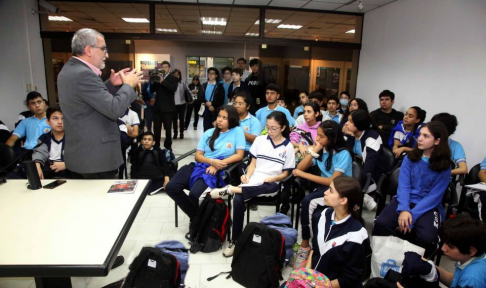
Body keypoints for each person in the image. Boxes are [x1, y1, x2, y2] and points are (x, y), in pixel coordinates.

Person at [57, 28, 141, 179]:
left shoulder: (70, 69)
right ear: (88, 50)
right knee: (100, 201)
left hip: (84, 154)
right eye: (103, 49)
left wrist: (111, 84)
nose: (106, 55)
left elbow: (88, 100)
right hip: (95, 159)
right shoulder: (83, 74)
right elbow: (114, 109)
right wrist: (128, 86)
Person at [210, 111, 295, 257]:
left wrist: (274, 179)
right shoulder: (260, 140)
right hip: (254, 180)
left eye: (274, 128)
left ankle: (231, 189)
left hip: (273, 183)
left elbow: (286, 174)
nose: (270, 131)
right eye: (268, 127)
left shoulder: (288, 147)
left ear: (283, 128)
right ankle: (235, 240)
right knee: (238, 199)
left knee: (270, 186)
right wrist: (247, 177)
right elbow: (253, 164)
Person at [373, 121, 452, 257]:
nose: (420, 138)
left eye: (426, 136)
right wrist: (404, 209)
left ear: (438, 141)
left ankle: (415, 269)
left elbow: (434, 196)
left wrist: (412, 216)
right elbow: (403, 186)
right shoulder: (410, 158)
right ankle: (379, 259)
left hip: (428, 206)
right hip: (405, 200)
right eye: (420, 134)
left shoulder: (445, 166)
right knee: (382, 223)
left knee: (427, 238)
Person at [165, 105, 245, 220]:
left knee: (194, 195)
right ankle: (197, 219)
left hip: (219, 170)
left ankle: (197, 222)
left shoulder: (237, 131)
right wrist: (211, 161)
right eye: (219, 116)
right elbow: (198, 156)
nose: (220, 119)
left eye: (224, 117)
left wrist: (217, 166)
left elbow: (239, 155)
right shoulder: (209, 132)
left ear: (232, 119)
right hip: (200, 166)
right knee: (171, 187)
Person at [292, 120, 352, 269]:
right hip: (323, 188)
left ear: (331, 138)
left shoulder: (343, 153)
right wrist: (314, 151)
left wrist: (303, 175)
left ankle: (307, 245)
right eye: (317, 135)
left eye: (321, 136)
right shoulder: (322, 149)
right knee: (310, 206)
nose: (316, 139)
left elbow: (333, 180)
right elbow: (300, 167)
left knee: (307, 202)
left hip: (339, 190)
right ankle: (309, 246)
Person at [308, 176, 370, 288]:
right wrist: (306, 275)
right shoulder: (324, 214)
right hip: (315, 282)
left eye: (331, 191)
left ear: (343, 200)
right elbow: (314, 250)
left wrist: (318, 286)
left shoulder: (357, 235)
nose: (325, 193)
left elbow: (349, 279)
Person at [396, 215, 486, 288]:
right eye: (444, 243)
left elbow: (466, 280)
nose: (443, 248)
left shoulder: (472, 279)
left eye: (451, 246)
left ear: (471, 251)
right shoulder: (472, 258)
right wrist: (429, 266)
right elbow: (456, 280)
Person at [344, 109, 385, 211]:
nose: (347, 123)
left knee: (347, 188)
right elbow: (346, 154)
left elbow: (369, 166)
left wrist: (357, 183)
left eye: (350, 121)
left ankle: (358, 202)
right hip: (358, 168)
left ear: (359, 124)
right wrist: (349, 136)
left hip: (374, 174)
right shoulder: (353, 134)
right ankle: (362, 199)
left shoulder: (372, 137)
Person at [32, 105, 71, 179]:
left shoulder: (74, 138)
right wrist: (37, 165)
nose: (60, 122)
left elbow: (83, 158)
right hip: (49, 172)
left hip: (70, 173)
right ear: (47, 121)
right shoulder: (44, 138)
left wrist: (67, 165)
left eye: (63, 118)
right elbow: (39, 153)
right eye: (55, 118)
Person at [150, 61, 179, 150]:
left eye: (165, 67)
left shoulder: (173, 78)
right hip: (158, 108)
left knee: (168, 129)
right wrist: (153, 81)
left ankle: (168, 146)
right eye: (162, 67)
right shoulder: (157, 77)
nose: (164, 69)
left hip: (168, 108)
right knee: (156, 129)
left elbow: (173, 89)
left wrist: (163, 82)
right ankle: (156, 145)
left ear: (169, 68)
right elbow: (152, 90)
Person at [200, 67, 225, 131]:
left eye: (213, 73)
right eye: (209, 73)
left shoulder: (219, 86)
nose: (211, 75)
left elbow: (221, 99)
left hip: (216, 110)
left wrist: (212, 104)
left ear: (216, 75)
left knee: (216, 129)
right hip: (206, 109)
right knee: (206, 128)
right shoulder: (203, 85)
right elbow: (200, 97)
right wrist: (208, 104)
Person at [171, 69, 191, 140]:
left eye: (177, 74)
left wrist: (191, 99)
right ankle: (175, 133)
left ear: (180, 75)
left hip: (182, 103)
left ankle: (181, 133)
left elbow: (188, 91)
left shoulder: (183, 83)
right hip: (173, 104)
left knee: (182, 119)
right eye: (174, 74)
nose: (176, 76)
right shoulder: (170, 83)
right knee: (174, 119)